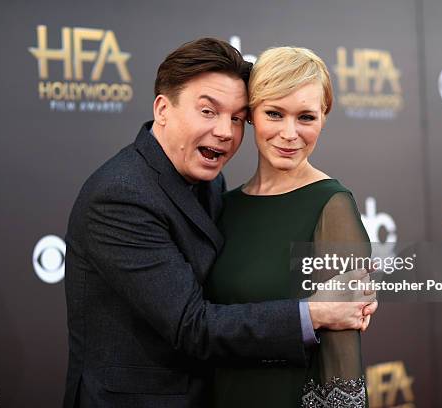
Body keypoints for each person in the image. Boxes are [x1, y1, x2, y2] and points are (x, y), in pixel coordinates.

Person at [63, 38, 377, 408]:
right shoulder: (121, 194)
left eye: (234, 117)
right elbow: (192, 324)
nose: (226, 132)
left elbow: (342, 356)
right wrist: (314, 312)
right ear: (163, 108)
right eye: (208, 111)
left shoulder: (213, 184)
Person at [204, 46, 373, 407]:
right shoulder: (223, 204)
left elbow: (341, 360)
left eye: (306, 117)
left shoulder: (332, 206)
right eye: (275, 113)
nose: (289, 133)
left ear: (324, 117)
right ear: (251, 115)